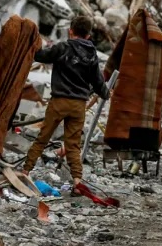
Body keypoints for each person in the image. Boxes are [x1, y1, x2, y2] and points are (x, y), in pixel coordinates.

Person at [23, 16, 110, 189]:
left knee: (42, 139)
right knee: (73, 145)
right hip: (78, 106)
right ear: (88, 35)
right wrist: (106, 94)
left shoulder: (63, 48)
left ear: (71, 31)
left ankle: (25, 172)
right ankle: (77, 181)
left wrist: (31, 41)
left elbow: (40, 56)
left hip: (59, 102)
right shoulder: (92, 54)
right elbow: (98, 82)